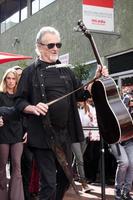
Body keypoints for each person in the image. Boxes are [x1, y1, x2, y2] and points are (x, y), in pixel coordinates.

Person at [15, 26, 108, 200]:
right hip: (42, 136)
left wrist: (96, 78)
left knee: (66, 179)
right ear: (39, 46)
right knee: (48, 183)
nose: (55, 48)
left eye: (58, 44)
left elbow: (83, 94)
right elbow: (19, 101)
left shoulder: (66, 71)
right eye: (51, 45)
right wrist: (33, 108)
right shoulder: (29, 72)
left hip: (65, 135)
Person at [0, 68, 25, 200]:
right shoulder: (0, 95)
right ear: (5, 80)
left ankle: (16, 197)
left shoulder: (20, 97)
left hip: (18, 135)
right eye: (8, 78)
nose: (11, 81)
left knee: (17, 166)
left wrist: (27, 131)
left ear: (17, 80)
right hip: (2, 135)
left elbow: (25, 115)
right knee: (1, 167)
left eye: (13, 78)